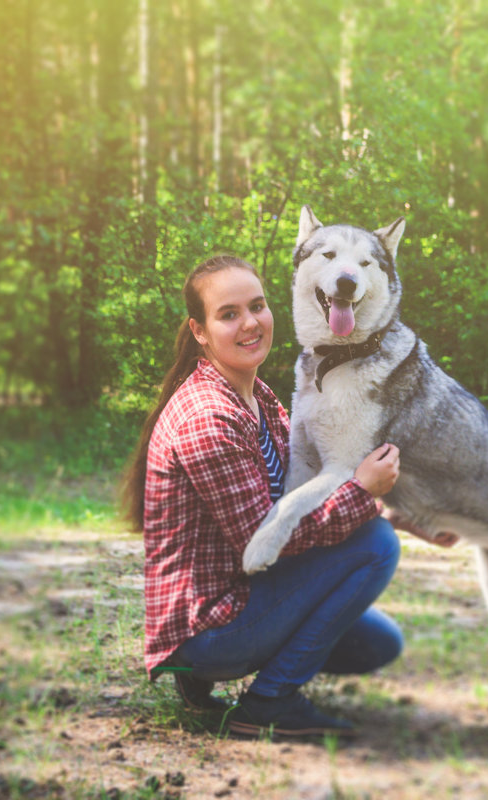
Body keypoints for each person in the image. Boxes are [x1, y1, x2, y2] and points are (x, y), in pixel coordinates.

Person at [121, 254, 454, 738]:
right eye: (229, 314)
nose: (250, 323)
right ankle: (266, 703)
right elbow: (264, 540)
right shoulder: (209, 418)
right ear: (199, 330)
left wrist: (405, 514)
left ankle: (204, 684)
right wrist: (363, 493)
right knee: (375, 547)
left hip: (230, 601)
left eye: (257, 306)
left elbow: (303, 493)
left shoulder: (256, 397)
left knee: (376, 642)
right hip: (205, 628)